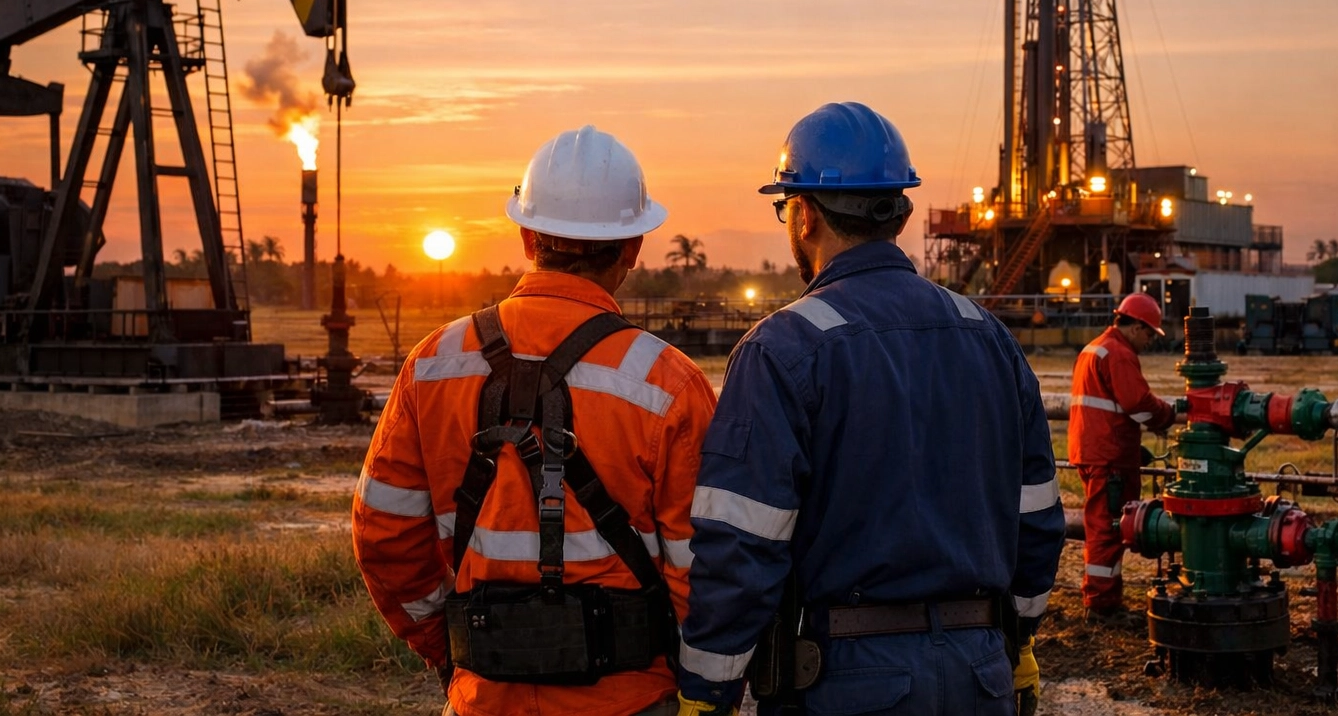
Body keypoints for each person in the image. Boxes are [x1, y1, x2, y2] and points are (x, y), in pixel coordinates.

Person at [675, 102, 1064, 716]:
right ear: (900, 213)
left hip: (846, 682)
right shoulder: (989, 336)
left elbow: (743, 544)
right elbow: (1037, 517)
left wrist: (707, 691)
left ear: (804, 214)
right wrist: (1017, 642)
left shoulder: (783, 348)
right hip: (981, 673)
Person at [353, 125, 716, 716]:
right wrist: (704, 688)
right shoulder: (668, 383)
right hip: (629, 700)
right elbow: (701, 566)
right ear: (632, 248)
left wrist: (450, 647)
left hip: (483, 698)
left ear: (526, 237)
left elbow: (383, 533)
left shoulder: (434, 364)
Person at [1068, 292, 1176, 622]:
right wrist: (1167, 415)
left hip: (1093, 450)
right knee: (1108, 529)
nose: (1149, 342)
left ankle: (1102, 599)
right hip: (1110, 457)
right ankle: (1102, 605)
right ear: (1136, 327)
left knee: (1103, 526)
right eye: (1149, 335)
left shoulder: (1094, 347)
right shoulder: (1119, 353)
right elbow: (1137, 403)